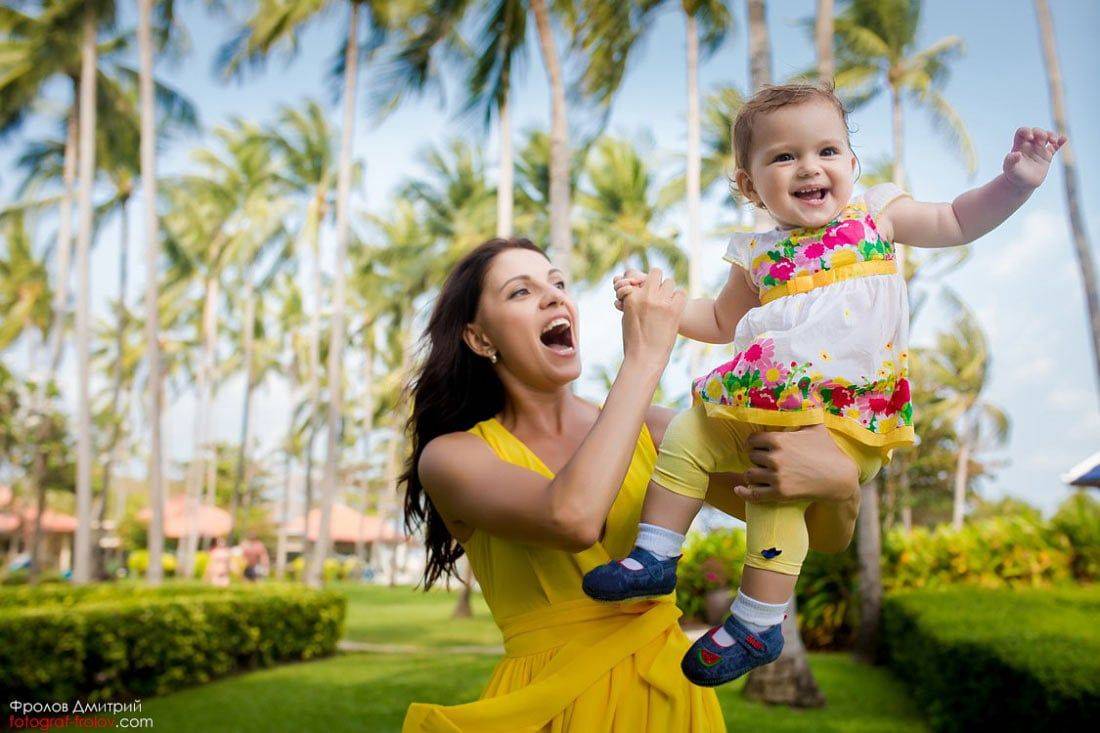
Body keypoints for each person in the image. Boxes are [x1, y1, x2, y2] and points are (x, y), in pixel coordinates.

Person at [582, 82, 1066, 687]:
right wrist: (658, 302)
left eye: (827, 151)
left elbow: (957, 219)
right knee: (690, 428)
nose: (809, 166)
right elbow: (717, 322)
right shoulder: (758, 255)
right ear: (749, 184)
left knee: (778, 492)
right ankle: (655, 554)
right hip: (766, 398)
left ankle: (757, 617)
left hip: (846, 414)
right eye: (784, 157)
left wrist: (1016, 182)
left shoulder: (877, 216)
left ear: (852, 165)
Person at [401, 237, 864, 731]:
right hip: (549, 710)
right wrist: (644, 360)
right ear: (480, 339)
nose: (555, 296)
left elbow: (822, 535)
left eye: (558, 282)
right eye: (520, 292)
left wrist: (843, 485)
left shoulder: (660, 433)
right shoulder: (452, 457)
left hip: (672, 704)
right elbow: (573, 517)